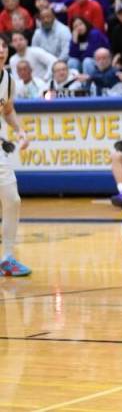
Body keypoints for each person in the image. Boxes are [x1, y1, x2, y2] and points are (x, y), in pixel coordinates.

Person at [0, 38, 30, 276]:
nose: (0, 50)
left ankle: (6, 257)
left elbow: (8, 111)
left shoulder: (8, 80)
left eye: (3, 47)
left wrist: (20, 130)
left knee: (12, 199)